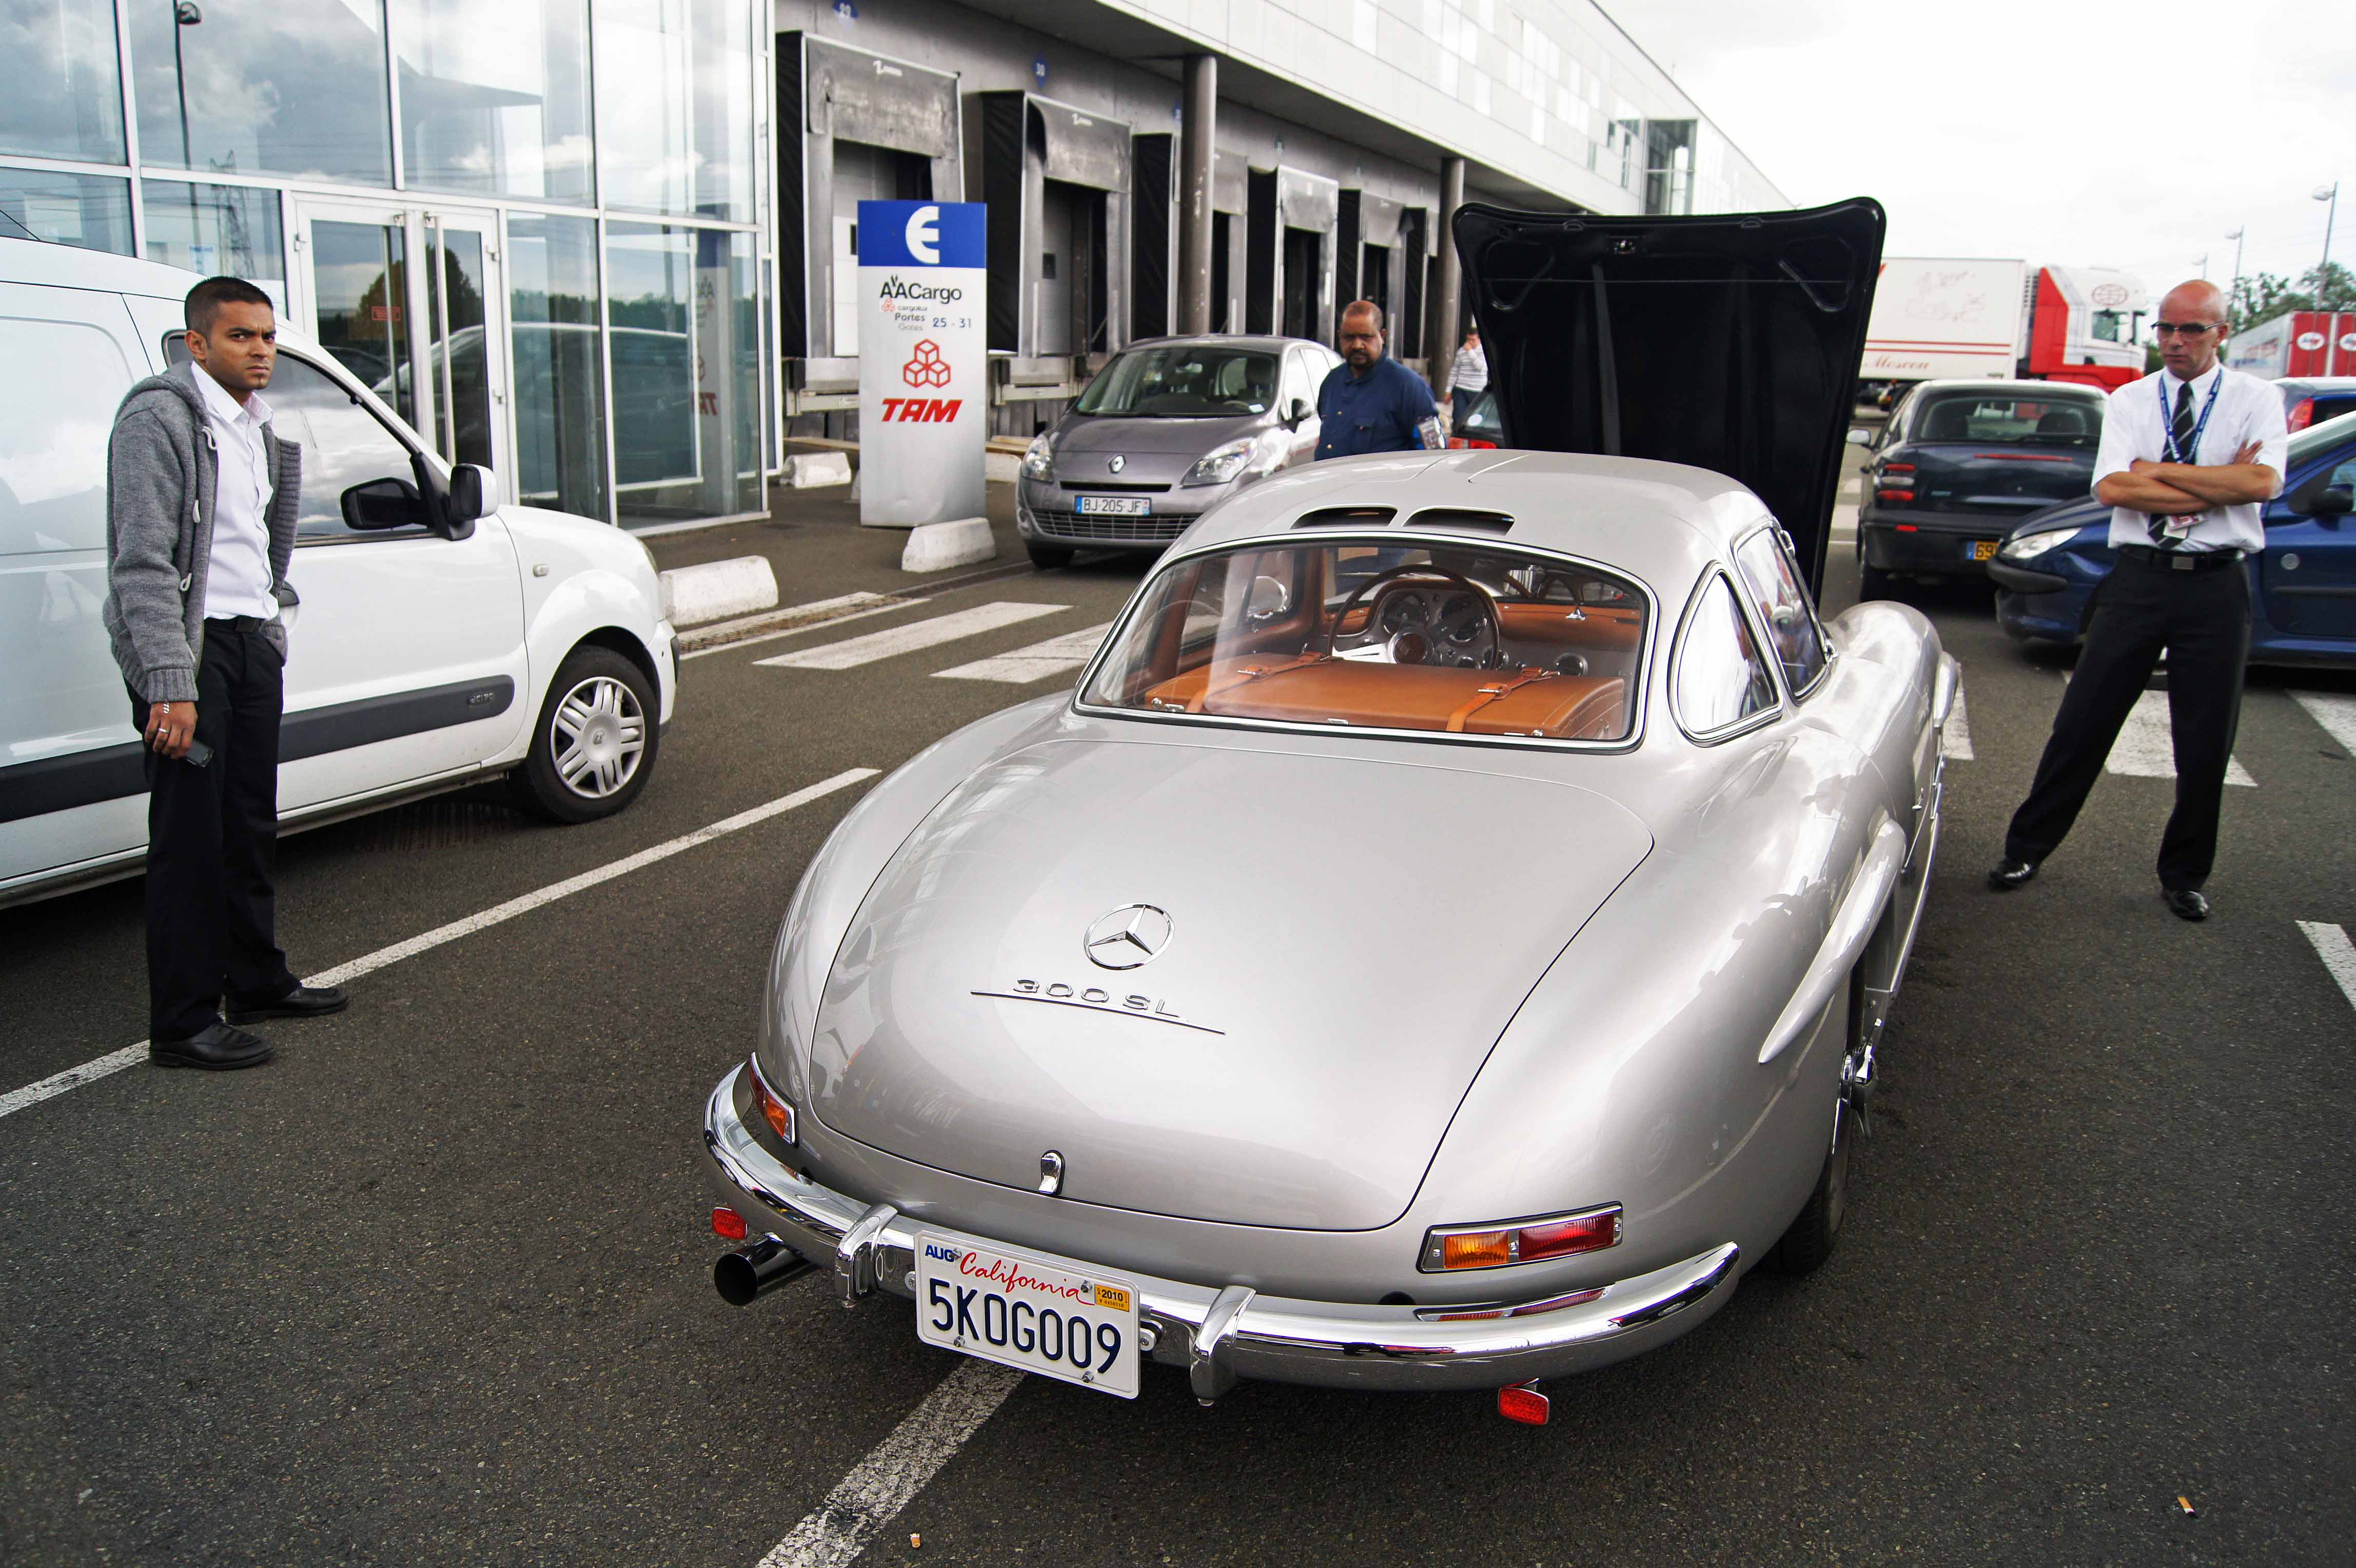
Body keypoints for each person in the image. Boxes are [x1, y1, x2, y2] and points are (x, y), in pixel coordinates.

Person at [104, 276, 348, 1069]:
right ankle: (182, 1022)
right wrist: (169, 682)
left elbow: (258, 545)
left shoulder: (258, 427)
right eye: (241, 336)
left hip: (248, 643)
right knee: (189, 841)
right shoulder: (158, 420)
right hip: (191, 654)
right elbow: (142, 565)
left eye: (268, 336)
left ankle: (255, 980)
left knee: (249, 824)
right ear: (197, 343)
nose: (260, 350)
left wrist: (272, 623)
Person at [1986, 280, 2287, 922]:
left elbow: (2261, 482)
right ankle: (2025, 848)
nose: (2174, 341)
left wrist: (2155, 469)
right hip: (2137, 579)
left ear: (2220, 333)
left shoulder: (2256, 398)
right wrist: (2217, 484)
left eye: (2191, 330)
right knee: (2083, 720)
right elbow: (2113, 489)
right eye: (2165, 328)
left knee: (2205, 737)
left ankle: (2184, 874)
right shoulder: (2129, 398)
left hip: (2215, 583)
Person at [1316, 300, 1444, 459]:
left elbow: (1434, 456)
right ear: (1339, 336)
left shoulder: (1409, 387)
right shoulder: (1332, 382)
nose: (1357, 345)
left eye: (1366, 337)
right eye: (1349, 337)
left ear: (1382, 336)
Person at [1446, 327, 1488, 430]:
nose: (1470, 342)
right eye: (1468, 339)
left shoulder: (1484, 351)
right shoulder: (1461, 351)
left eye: (1473, 340)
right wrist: (1448, 390)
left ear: (1479, 340)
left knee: (1475, 420)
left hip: (1477, 390)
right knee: (1458, 418)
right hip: (1461, 389)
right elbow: (1455, 371)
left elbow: (1481, 368)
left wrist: (1470, 352)